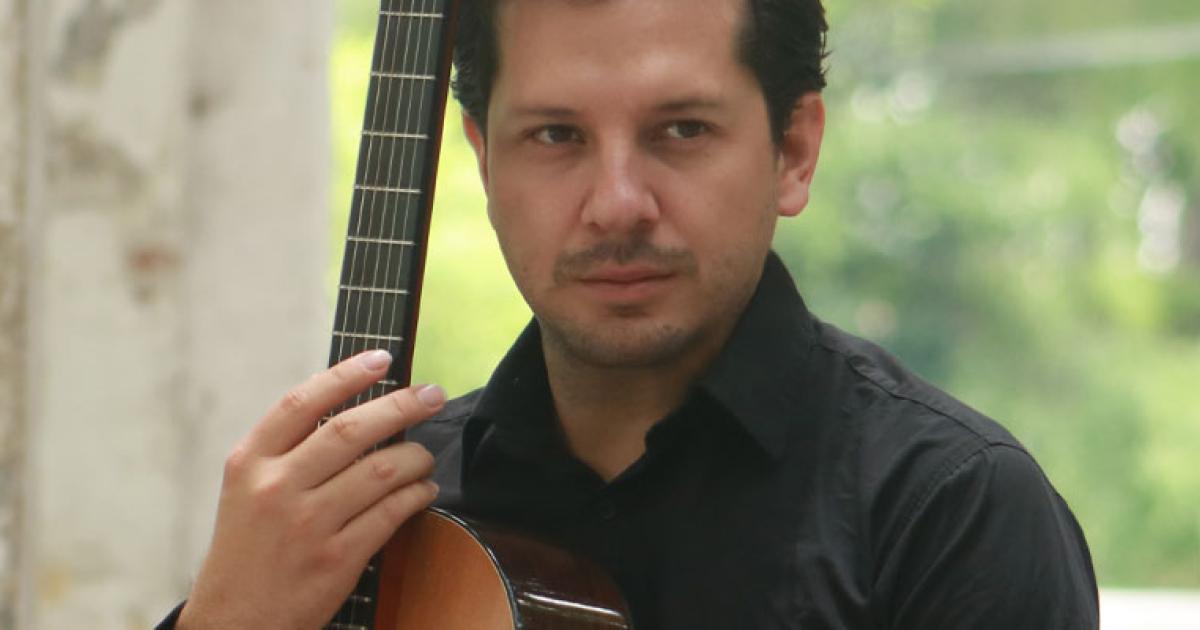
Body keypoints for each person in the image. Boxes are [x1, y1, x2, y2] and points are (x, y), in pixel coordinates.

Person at [164, 0, 1099, 627]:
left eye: (681, 130)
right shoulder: (375, 519)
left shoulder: (946, 509)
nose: (617, 204)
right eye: (556, 135)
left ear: (794, 151)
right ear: (485, 161)